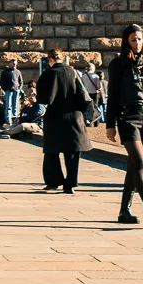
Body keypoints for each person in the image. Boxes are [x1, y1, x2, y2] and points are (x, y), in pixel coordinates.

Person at [102, 24, 143, 228]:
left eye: (139, 39)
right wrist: (110, 124)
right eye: (133, 39)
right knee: (140, 162)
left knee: (134, 167)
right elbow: (112, 95)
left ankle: (124, 211)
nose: (137, 43)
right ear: (126, 42)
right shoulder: (118, 64)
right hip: (128, 118)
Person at [36, 49, 92, 193]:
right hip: (74, 116)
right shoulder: (73, 72)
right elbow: (83, 95)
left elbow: (43, 98)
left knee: (52, 152)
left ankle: (54, 182)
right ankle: (70, 184)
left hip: (55, 116)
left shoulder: (48, 74)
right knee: (72, 152)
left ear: (50, 59)